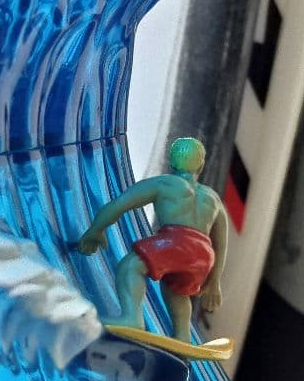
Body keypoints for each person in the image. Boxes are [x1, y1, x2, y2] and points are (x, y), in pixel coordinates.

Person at [77, 138, 228, 341]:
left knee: (131, 266)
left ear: (171, 162)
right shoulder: (213, 198)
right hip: (203, 255)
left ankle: (132, 317)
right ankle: (183, 335)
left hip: (176, 241)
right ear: (201, 165)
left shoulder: (165, 183)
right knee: (177, 290)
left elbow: (120, 204)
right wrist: (215, 280)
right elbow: (221, 243)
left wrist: (96, 230)